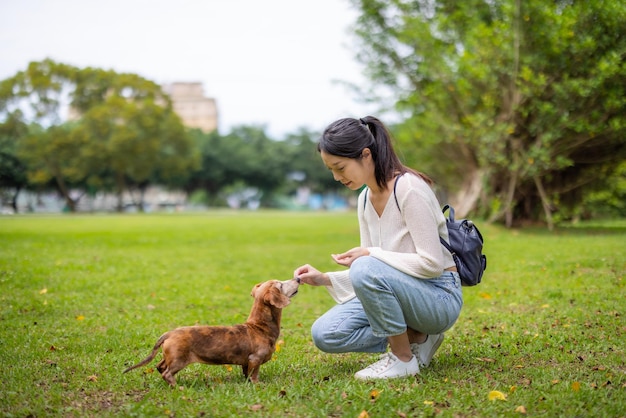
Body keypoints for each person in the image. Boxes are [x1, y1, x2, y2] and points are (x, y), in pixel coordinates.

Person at [293, 116, 463, 380]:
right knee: (326, 333)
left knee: (365, 263)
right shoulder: (364, 199)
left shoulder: (409, 189)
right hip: (400, 292)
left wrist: (372, 254)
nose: (337, 177)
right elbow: (373, 276)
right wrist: (324, 279)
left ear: (366, 155)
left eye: (340, 167)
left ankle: (402, 358)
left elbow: (430, 264)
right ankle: (415, 336)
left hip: (438, 295)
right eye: (331, 170)